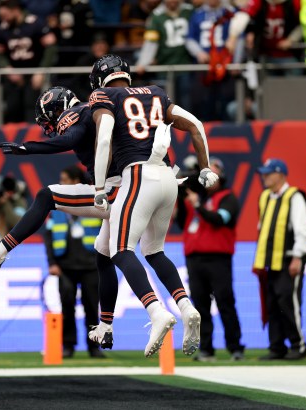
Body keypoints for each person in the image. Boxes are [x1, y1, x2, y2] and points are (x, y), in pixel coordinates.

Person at [0, 86, 120, 350]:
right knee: (106, 255)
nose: (51, 126)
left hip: (115, 190)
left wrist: (28, 148)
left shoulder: (78, 112)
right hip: (136, 184)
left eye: (49, 119)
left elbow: (68, 140)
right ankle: (106, 325)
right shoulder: (97, 111)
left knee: (46, 196)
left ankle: (0, 251)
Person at [88, 54, 217, 357]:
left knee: (120, 250)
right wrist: (206, 168)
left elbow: (105, 139)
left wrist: (97, 186)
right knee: (154, 251)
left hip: (138, 173)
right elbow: (196, 124)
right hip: (169, 179)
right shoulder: (156, 93)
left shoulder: (104, 95)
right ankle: (186, 307)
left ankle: (156, 311)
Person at [176, 156, 245, 362]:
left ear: (221, 176)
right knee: (200, 306)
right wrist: (180, 188)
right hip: (194, 258)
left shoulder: (227, 198)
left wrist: (198, 206)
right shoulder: (195, 197)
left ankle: (235, 347)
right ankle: (206, 349)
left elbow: (219, 220)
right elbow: (181, 222)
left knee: (225, 302)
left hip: (218, 258)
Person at [253, 158, 306, 361]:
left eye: (269, 173)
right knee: (272, 304)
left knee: (288, 302)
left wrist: (298, 257)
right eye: (264, 173)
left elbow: (303, 229)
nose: (265, 176)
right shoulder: (265, 197)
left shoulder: (293, 196)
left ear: (281, 174)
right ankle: (276, 346)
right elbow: (263, 229)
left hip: (288, 260)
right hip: (270, 261)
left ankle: (298, 344)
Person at [44, 165, 105, 359]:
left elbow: (105, 233)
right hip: (65, 267)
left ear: (76, 182)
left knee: (92, 306)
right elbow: (49, 238)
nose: (61, 183)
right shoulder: (56, 207)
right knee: (67, 306)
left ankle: (94, 346)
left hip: (90, 265)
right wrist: (52, 263)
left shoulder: (94, 203)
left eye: (65, 180)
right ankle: (68, 345)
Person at [0, 0, 58, 123]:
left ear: (15, 10)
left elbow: (51, 47)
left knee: (32, 106)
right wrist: (7, 69)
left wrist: (41, 71)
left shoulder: (35, 23)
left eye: (5, 15)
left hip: (35, 73)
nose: (4, 19)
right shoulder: (4, 28)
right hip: (15, 75)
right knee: (13, 106)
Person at [135, 0, 195, 109]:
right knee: (166, 102)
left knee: (187, 101)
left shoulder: (189, 11)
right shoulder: (157, 15)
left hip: (185, 64)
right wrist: (143, 62)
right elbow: (151, 42)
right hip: (164, 65)